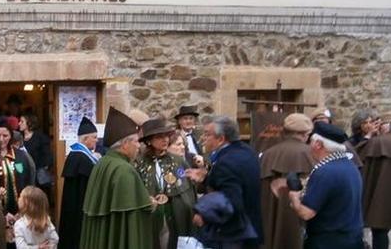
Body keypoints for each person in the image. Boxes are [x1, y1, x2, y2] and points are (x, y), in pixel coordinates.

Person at [79, 107, 155, 248]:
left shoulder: (102, 163)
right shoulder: (125, 170)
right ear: (125, 144)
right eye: (136, 141)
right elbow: (131, 220)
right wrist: (150, 204)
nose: (139, 146)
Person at [186, 116, 263, 249]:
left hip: (233, 235)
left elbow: (232, 200)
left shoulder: (226, 162)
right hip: (250, 228)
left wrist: (204, 215)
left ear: (221, 139)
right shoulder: (247, 151)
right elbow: (237, 183)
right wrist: (207, 178)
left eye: (207, 134)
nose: (202, 138)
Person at [286, 122, 364, 249]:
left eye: (310, 141)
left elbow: (306, 213)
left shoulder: (325, 171)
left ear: (318, 144)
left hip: (328, 242)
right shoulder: (350, 166)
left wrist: (294, 196)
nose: (309, 145)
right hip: (352, 239)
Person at [134, 118, 197, 249]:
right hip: (149, 217)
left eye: (167, 136)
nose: (165, 140)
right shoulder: (139, 163)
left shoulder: (178, 161)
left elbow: (188, 189)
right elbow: (135, 189)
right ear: (149, 140)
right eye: (159, 137)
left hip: (174, 216)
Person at [259, 113, 314, 249]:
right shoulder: (311, 153)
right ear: (304, 134)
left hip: (272, 218)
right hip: (301, 218)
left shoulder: (268, 154)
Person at [356, 118, 391, 249]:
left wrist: (368, 136)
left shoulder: (377, 142)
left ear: (386, 126)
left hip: (380, 198)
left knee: (379, 232)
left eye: (379, 125)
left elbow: (353, 155)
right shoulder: (379, 141)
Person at [58, 117, 98, 249]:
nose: (96, 140)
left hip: (73, 208)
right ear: (85, 139)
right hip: (79, 209)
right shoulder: (82, 158)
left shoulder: (75, 155)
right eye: (94, 137)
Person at [0, 116, 36, 217]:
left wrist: (23, 210)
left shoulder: (21, 156)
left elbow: (29, 181)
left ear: (11, 136)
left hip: (20, 212)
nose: (1, 139)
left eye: (5, 136)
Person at [20, 113, 53, 190]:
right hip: (23, 173)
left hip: (38, 174)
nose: (19, 124)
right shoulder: (19, 137)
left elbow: (47, 155)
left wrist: (45, 167)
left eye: (22, 121)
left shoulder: (40, 137)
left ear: (29, 123)